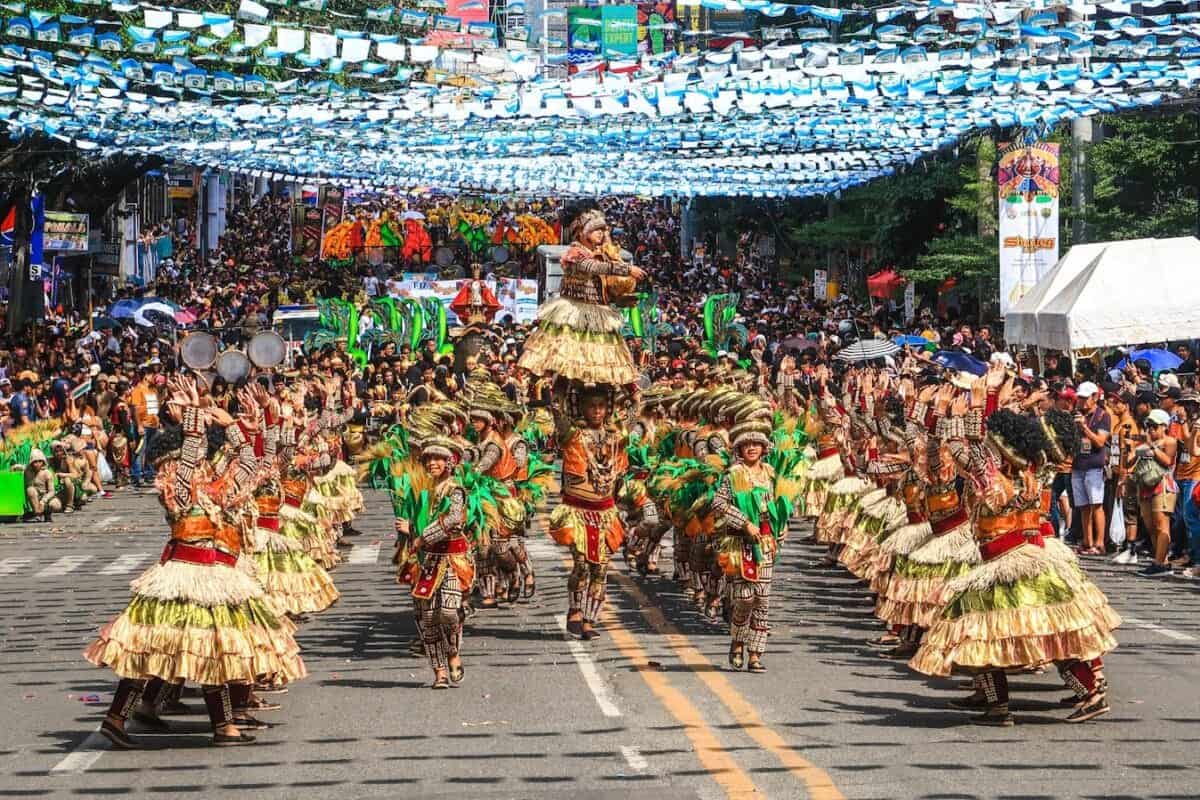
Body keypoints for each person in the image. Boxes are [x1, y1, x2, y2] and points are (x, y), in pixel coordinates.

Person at [549, 386, 628, 640]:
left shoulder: (615, 437)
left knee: (601, 569)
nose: (596, 411)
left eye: (601, 406)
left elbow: (634, 413)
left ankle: (589, 620)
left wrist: (631, 390)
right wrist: (559, 386)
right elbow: (558, 414)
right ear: (582, 407)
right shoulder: (573, 435)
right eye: (591, 406)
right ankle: (574, 610)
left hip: (604, 512)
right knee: (582, 565)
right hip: (578, 511)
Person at [1127, 408, 1177, 577]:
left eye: (1155, 426)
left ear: (1164, 426)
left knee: (1161, 524)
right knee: (1151, 526)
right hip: (1144, 486)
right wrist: (1130, 449)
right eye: (1149, 425)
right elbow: (1128, 463)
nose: (1151, 429)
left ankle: (1159, 563)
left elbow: (1168, 461)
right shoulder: (1142, 443)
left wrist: (1151, 446)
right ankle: (1161, 561)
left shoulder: (1169, 441)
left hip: (1161, 484)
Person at [1071, 382, 1111, 555]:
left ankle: (1099, 542)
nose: (1081, 401)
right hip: (1078, 464)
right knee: (1083, 506)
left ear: (1094, 397)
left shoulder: (1103, 416)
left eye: (1085, 398)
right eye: (1079, 397)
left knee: (1096, 505)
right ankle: (1087, 541)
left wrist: (1084, 427)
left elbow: (1100, 442)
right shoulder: (1076, 413)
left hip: (1094, 464)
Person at [23, 449, 59, 522]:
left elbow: (52, 491)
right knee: (30, 489)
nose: (38, 464)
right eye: (35, 462)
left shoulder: (47, 473)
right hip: (34, 496)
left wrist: (43, 501)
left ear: (43, 462)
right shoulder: (28, 471)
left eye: (40, 461)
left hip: (45, 497)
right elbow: (20, 467)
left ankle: (47, 513)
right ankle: (37, 514)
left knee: (56, 504)